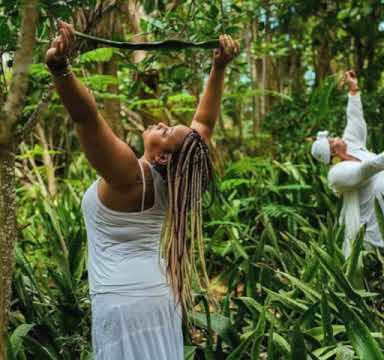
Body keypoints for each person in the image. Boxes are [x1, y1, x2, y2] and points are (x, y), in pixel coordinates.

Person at [45, 20, 239, 359]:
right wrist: (218, 67)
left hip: (122, 304)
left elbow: (87, 119)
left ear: (163, 154)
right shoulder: (175, 180)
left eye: (165, 132)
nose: (162, 123)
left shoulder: (129, 173)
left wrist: (61, 69)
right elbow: (203, 126)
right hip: (159, 298)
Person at [311, 70, 384, 258]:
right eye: (333, 141)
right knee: (376, 267)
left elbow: (355, 118)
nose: (337, 137)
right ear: (333, 152)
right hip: (369, 228)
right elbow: (364, 170)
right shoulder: (336, 174)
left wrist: (353, 89)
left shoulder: (352, 145)